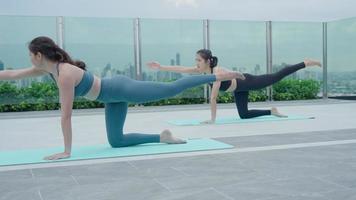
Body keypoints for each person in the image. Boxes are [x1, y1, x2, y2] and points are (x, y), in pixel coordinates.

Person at [0, 37, 245, 160]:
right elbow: (11, 73)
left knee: (170, 89)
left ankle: (218, 77)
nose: (29, 59)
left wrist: (66, 151)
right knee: (116, 141)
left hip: (120, 88)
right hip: (111, 98)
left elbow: (65, 116)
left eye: (30, 55)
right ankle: (162, 137)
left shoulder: (63, 74)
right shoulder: (48, 68)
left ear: (38, 55)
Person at [147, 49, 321, 124]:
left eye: (198, 60)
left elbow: (214, 97)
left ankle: (305, 62)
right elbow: (181, 68)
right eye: (196, 60)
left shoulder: (217, 72)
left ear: (207, 61)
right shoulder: (202, 71)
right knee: (244, 115)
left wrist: (212, 119)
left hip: (248, 82)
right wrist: (161, 66)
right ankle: (272, 111)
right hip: (239, 90)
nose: (196, 63)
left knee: (276, 77)